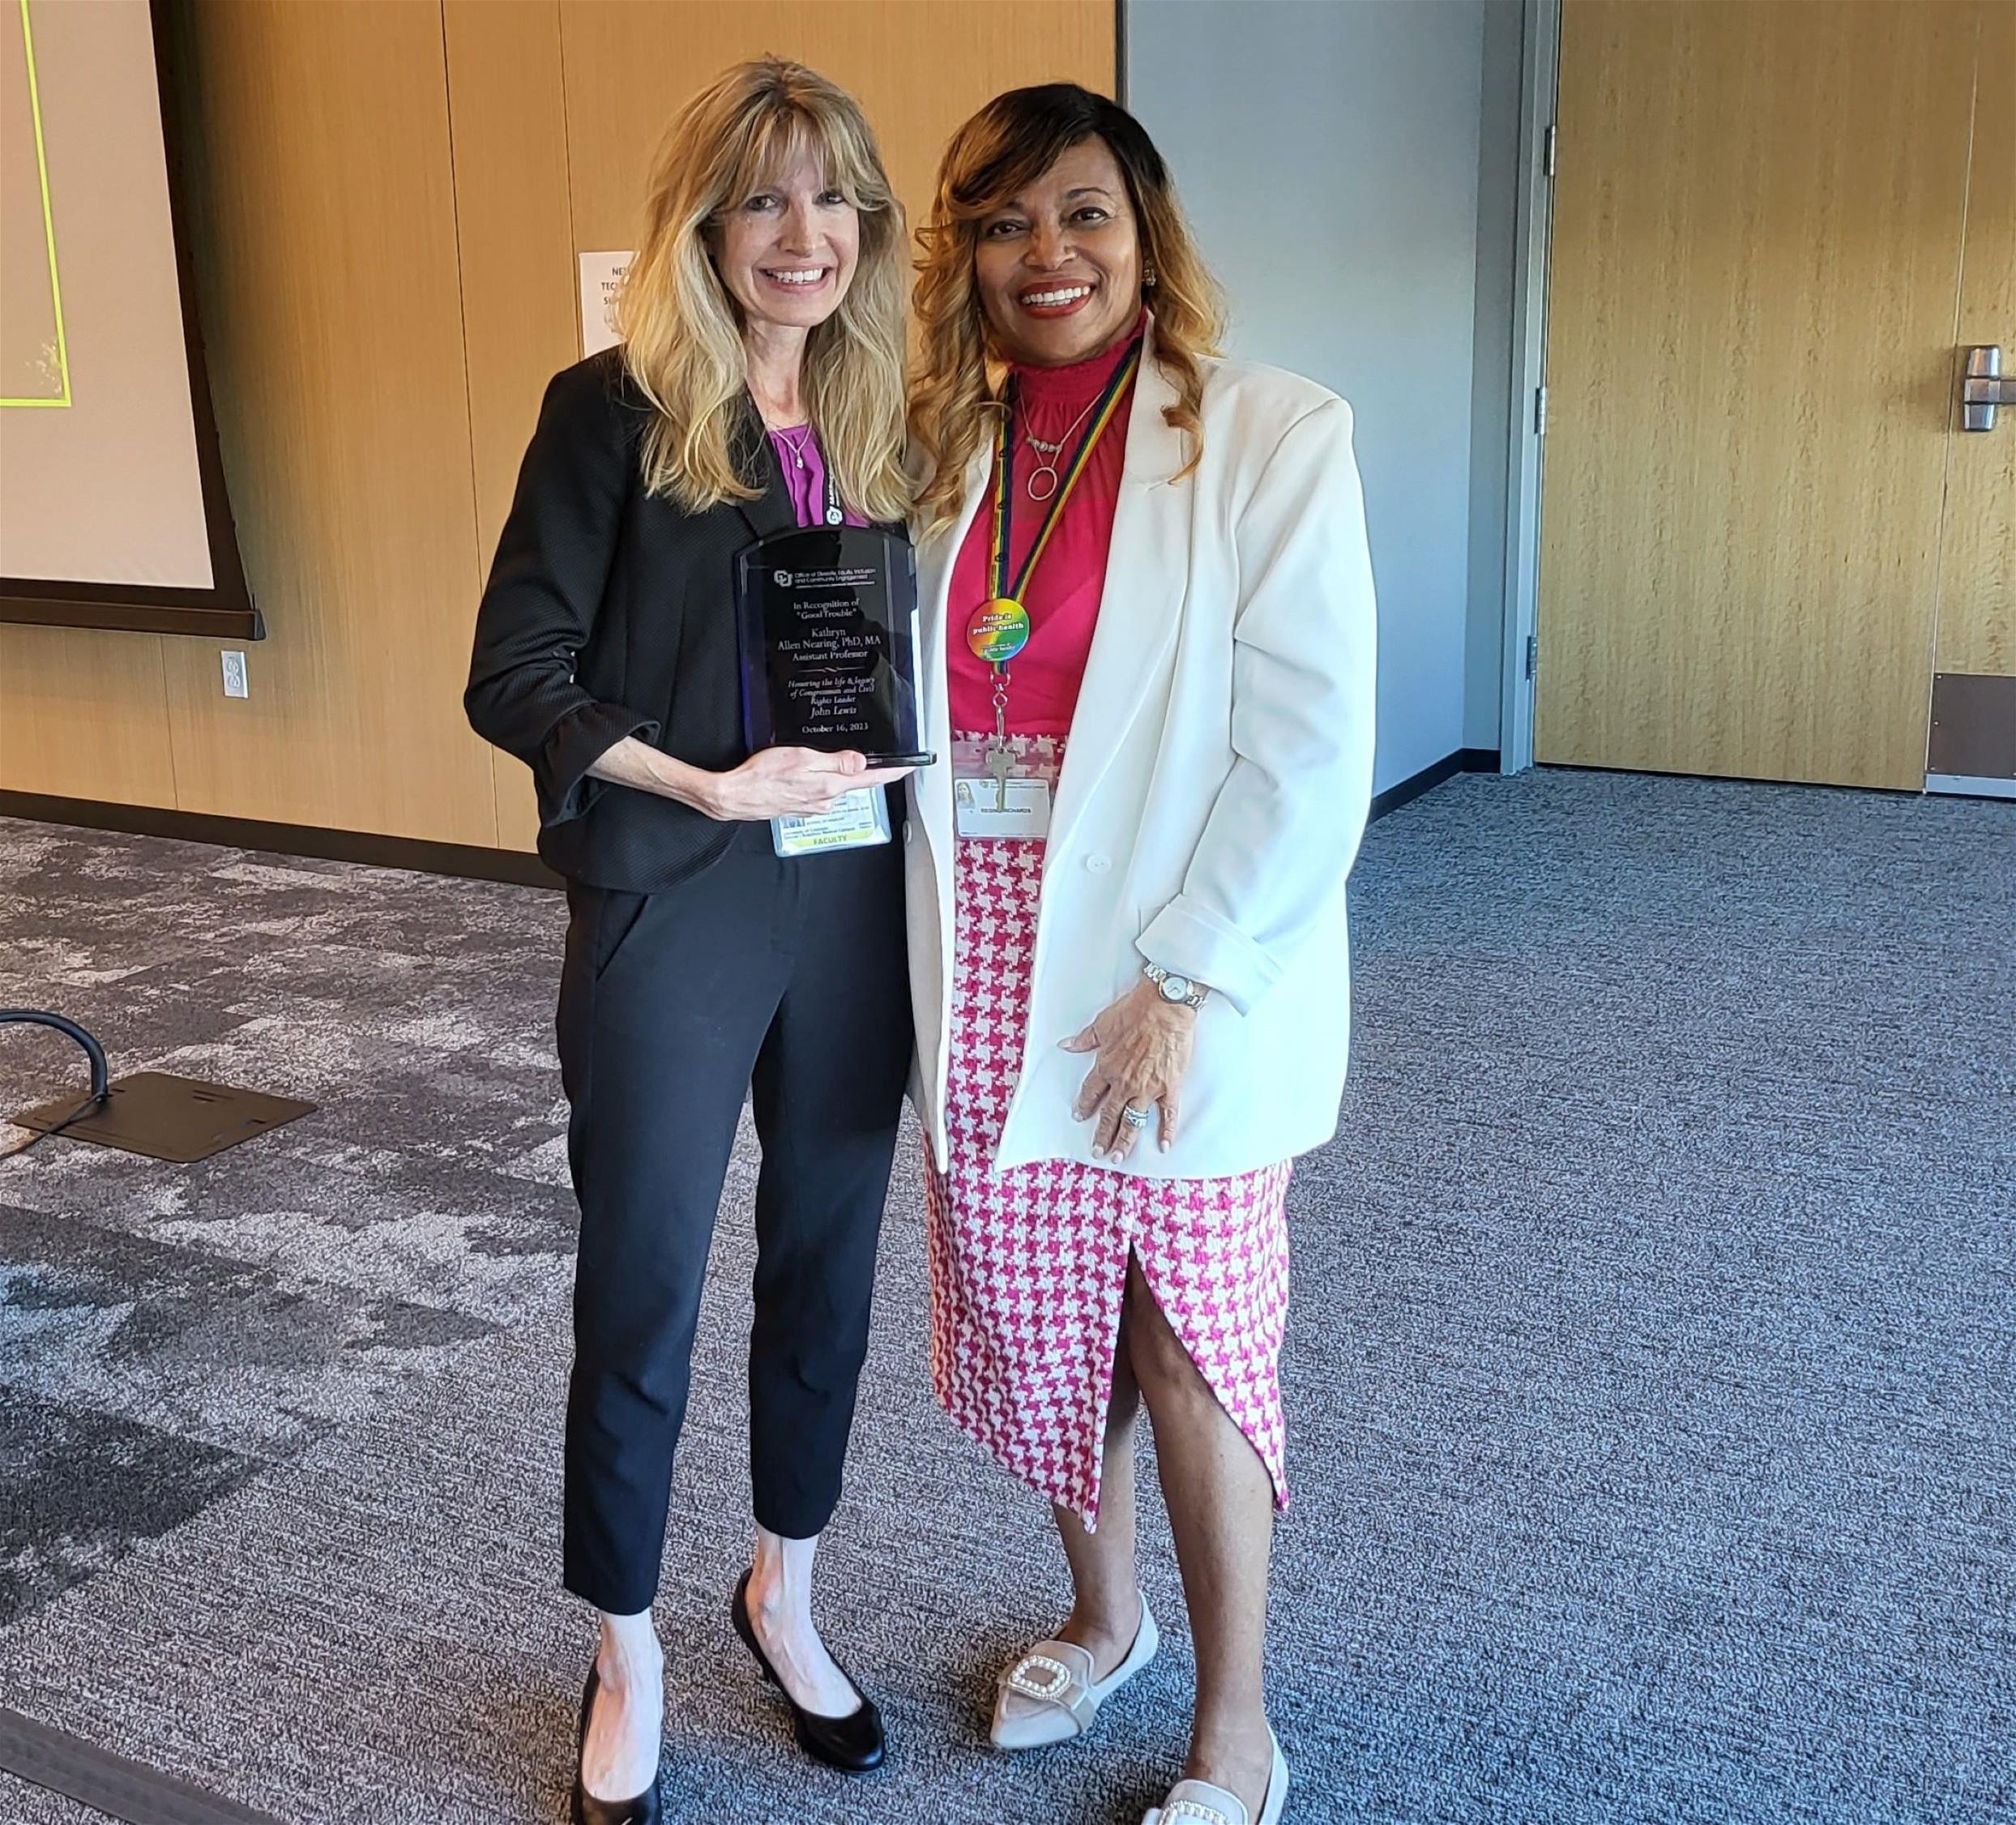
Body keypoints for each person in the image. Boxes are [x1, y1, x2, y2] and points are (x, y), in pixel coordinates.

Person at [903, 83, 1377, 1825]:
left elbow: (1311, 746)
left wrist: (1185, 978)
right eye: (1006, 222)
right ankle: (1103, 1619)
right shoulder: (934, 448)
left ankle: (1234, 1722)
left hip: (1175, 950)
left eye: (1083, 214)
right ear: (961, 253)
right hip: (982, 931)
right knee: (1044, 1314)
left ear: (1145, 232)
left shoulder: (1265, 431)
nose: (1048, 255)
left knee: (1185, 1325)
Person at [464, 59, 915, 1825]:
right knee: (643, 1267)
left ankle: (780, 1589)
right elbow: (517, 678)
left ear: (866, 226)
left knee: (827, 1260)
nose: (800, 236)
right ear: (707, 225)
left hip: (857, 894)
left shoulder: (892, 420)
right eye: (763, 200)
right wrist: (707, 786)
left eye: (832, 199)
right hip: (680, 881)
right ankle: (629, 1635)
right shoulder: (610, 412)